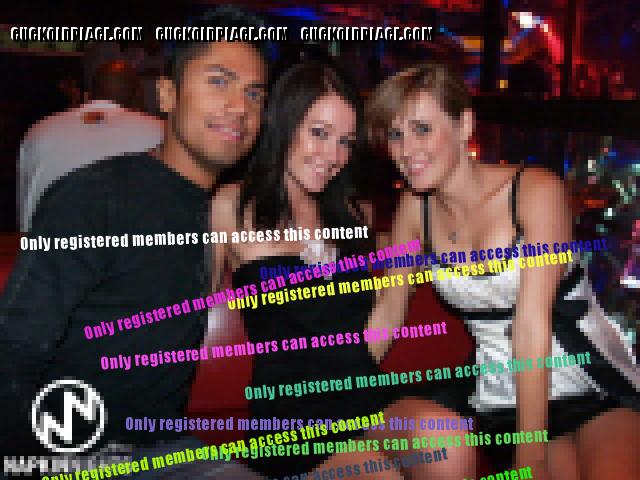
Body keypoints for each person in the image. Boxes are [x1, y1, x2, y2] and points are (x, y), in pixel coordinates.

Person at [0, 6, 268, 477]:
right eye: (218, 82)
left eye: (253, 93)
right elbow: (15, 350)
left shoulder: (221, 210)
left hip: (164, 449)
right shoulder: (96, 196)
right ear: (166, 94)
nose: (240, 107)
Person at [365, 62, 640, 479]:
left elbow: (531, 327)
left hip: (588, 377)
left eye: (422, 129)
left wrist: (530, 458)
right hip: (504, 395)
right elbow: (389, 310)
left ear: (464, 125)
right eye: (395, 134)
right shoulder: (413, 209)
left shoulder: (536, 191)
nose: (406, 150)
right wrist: (334, 389)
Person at [209, 61, 474, 479]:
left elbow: (409, 255)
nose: (333, 156)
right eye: (319, 133)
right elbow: (190, 307)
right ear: (284, 123)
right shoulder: (232, 206)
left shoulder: (354, 213)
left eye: (345, 141)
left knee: (450, 441)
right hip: (290, 419)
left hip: (363, 395)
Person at [18, 60, 162, 232]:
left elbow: (25, 212)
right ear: (138, 95)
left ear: (88, 95)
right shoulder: (160, 131)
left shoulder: (38, 131)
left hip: (48, 244)